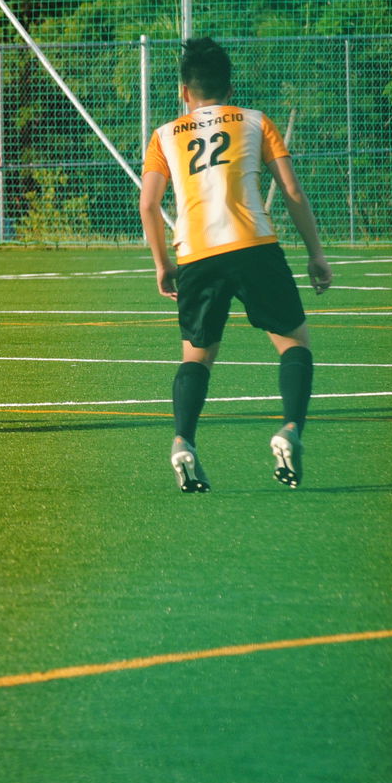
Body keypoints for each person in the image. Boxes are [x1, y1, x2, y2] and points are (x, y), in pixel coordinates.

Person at [138, 37, 332, 491]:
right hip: (254, 247)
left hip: (198, 255)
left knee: (196, 357)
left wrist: (162, 264)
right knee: (294, 345)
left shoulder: (165, 134)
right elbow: (292, 192)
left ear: (185, 91)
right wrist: (316, 253)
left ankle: (183, 441)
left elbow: (149, 204)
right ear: (230, 86)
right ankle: (289, 429)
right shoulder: (255, 122)